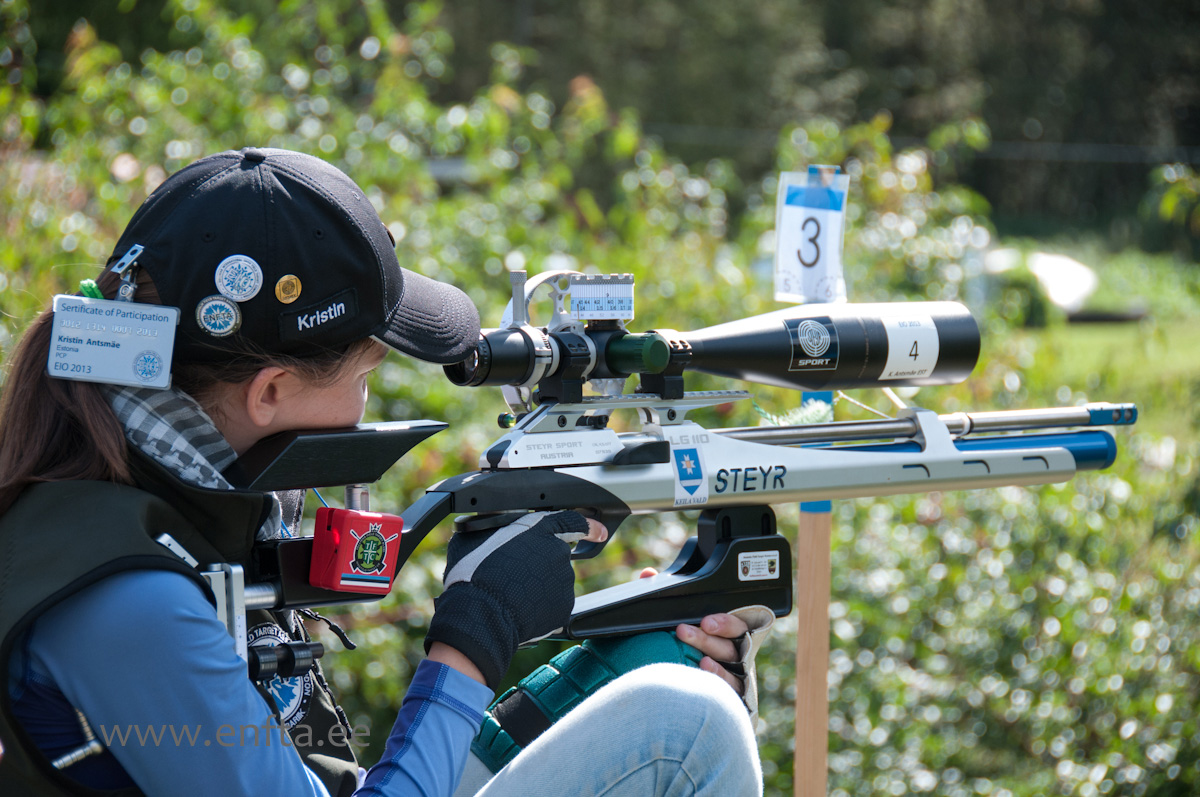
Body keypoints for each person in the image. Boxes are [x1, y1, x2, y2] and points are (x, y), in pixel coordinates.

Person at [0, 148, 765, 796]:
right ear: (269, 391)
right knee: (686, 724)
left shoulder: (169, 500)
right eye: (365, 373)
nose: (366, 405)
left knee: (647, 664)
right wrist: (474, 635)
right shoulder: (130, 599)